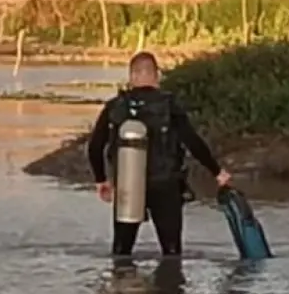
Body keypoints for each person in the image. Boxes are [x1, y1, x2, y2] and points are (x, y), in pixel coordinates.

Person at [88, 51, 231, 257]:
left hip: (129, 185)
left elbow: (94, 146)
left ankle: (121, 286)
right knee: (171, 253)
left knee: (121, 252)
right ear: (157, 75)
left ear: (132, 77)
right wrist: (217, 172)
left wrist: (101, 180)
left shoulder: (115, 106)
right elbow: (192, 141)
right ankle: (170, 286)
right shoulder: (169, 105)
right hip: (165, 184)